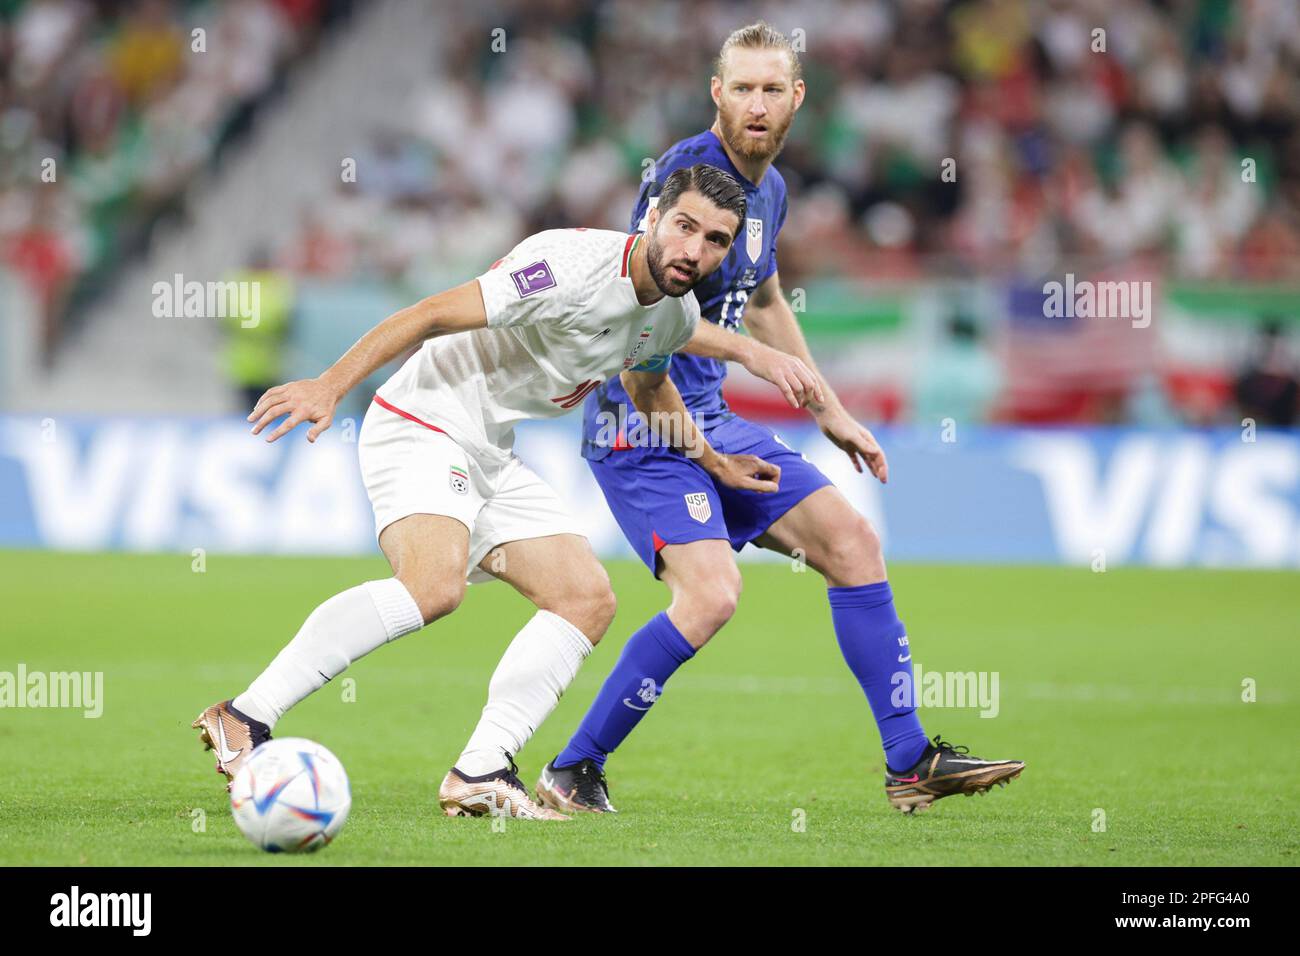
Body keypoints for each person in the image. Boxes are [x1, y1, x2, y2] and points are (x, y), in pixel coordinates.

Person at [193, 164, 781, 820]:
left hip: (489, 448)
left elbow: (648, 387)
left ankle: (480, 770)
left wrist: (715, 462)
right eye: (684, 227)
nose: (694, 250)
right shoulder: (568, 266)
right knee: (433, 587)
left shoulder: (673, 315)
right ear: (651, 218)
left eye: (716, 241)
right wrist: (329, 385)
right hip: (424, 417)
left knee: (584, 597)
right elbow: (431, 313)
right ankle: (245, 715)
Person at [538, 23, 1023, 816]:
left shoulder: (772, 191)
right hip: (643, 419)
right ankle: (572, 769)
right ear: (716, 95)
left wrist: (832, 411)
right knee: (712, 597)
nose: (756, 105)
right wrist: (757, 366)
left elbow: (763, 300)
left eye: (772, 89)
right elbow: (639, 317)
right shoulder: (687, 178)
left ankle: (910, 759)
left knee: (853, 541)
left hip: (711, 413)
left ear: (797, 97)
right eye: (742, 88)